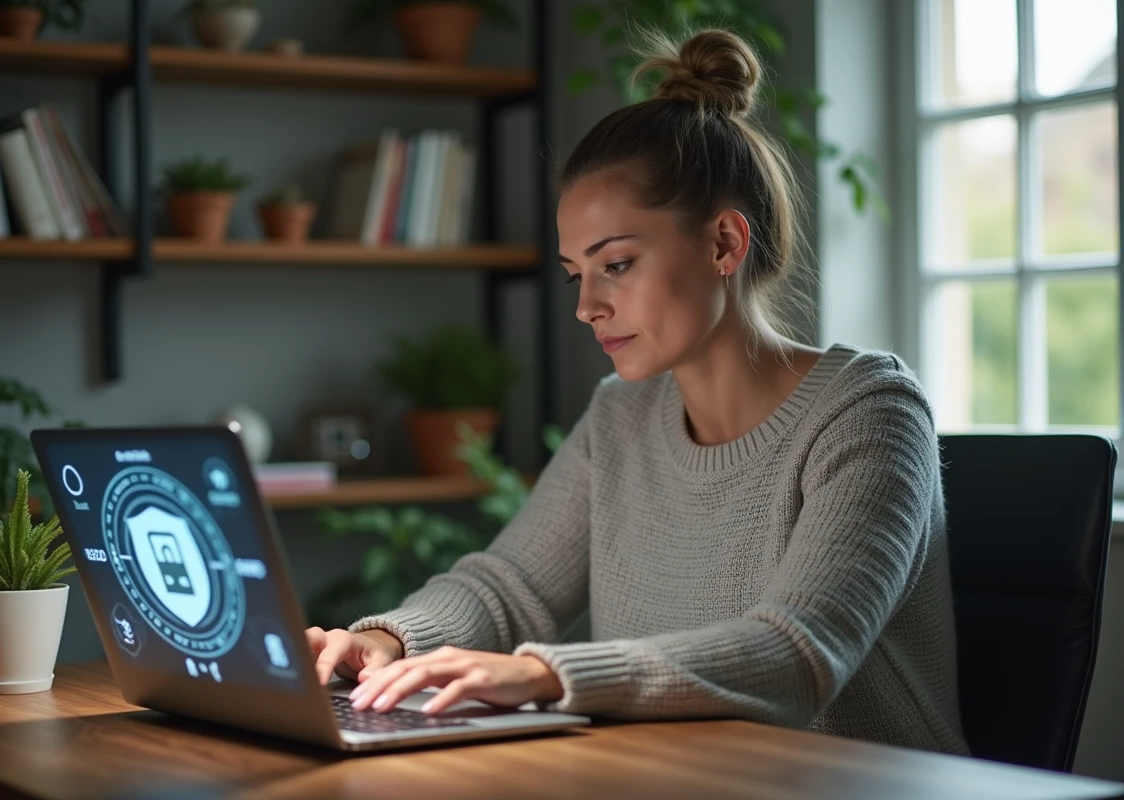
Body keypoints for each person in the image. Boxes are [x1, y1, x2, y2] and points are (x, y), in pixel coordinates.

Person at [306, 26, 969, 756]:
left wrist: (544, 674)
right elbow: (507, 587)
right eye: (574, 274)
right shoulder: (620, 416)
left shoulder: (869, 413)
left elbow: (798, 655)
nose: (587, 305)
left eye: (615, 264)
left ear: (724, 244)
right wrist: (387, 638)